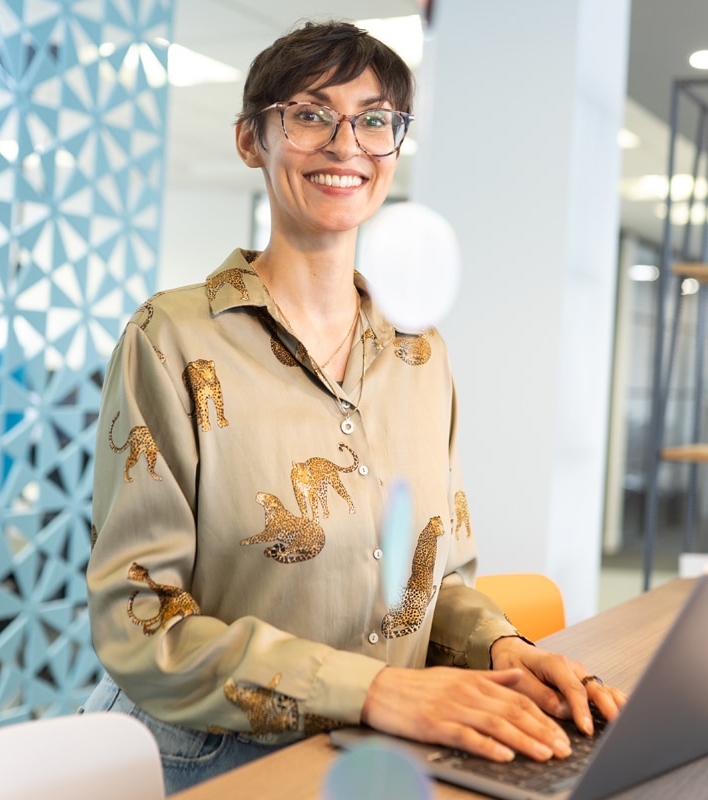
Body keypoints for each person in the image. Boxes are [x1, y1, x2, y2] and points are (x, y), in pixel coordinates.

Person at [83, 19, 626, 793]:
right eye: (310, 114)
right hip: (210, 760)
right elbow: (140, 619)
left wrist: (504, 650)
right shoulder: (171, 339)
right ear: (251, 140)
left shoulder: (421, 354)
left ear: (395, 148)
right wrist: (374, 690)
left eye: (375, 120)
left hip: (383, 747)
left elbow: (436, 584)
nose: (347, 144)